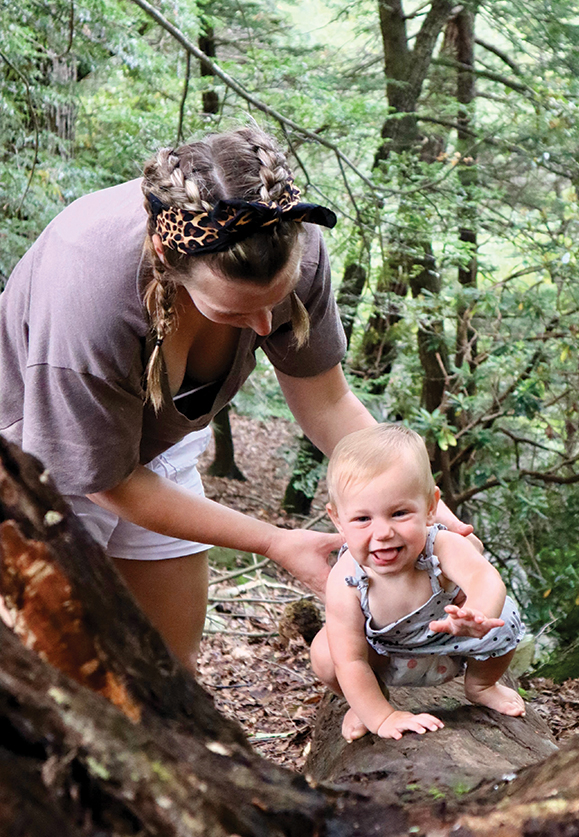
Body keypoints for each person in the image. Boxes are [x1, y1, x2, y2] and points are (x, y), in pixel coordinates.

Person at [0, 127, 470, 671]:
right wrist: (274, 541)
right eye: (234, 312)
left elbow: (328, 404)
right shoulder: (91, 297)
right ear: (165, 259)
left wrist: (431, 518)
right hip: (37, 448)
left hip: (156, 446)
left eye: (276, 302)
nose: (265, 327)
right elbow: (106, 479)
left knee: (169, 668)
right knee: (63, 669)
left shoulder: (287, 237)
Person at [310, 423, 525, 742]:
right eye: (362, 519)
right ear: (338, 518)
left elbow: (483, 576)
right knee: (326, 654)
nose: (382, 532)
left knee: (503, 617)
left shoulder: (441, 546)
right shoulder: (348, 578)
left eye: (398, 513)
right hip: (385, 658)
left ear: (429, 507)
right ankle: (369, 702)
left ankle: (482, 685)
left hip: (452, 648)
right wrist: (382, 718)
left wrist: (476, 613)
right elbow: (350, 659)